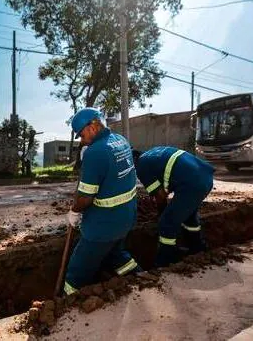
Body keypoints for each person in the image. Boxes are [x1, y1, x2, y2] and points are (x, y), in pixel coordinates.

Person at [64, 108, 141, 295]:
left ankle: (67, 300)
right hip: (127, 217)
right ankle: (139, 278)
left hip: (104, 225)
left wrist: (74, 211)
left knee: (79, 267)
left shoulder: (95, 152)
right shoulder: (120, 140)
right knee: (115, 254)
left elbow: (85, 197)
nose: (82, 140)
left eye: (82, 135)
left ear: (93, 126)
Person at [132, 147, 214, 267]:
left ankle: (165, 260)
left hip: (192, 185)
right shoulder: (152, 153)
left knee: (167, 222)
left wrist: (162, 215)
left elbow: (160, 196)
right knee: (189, 217)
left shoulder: (142, 168)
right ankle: (197, 248)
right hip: (205, 177)